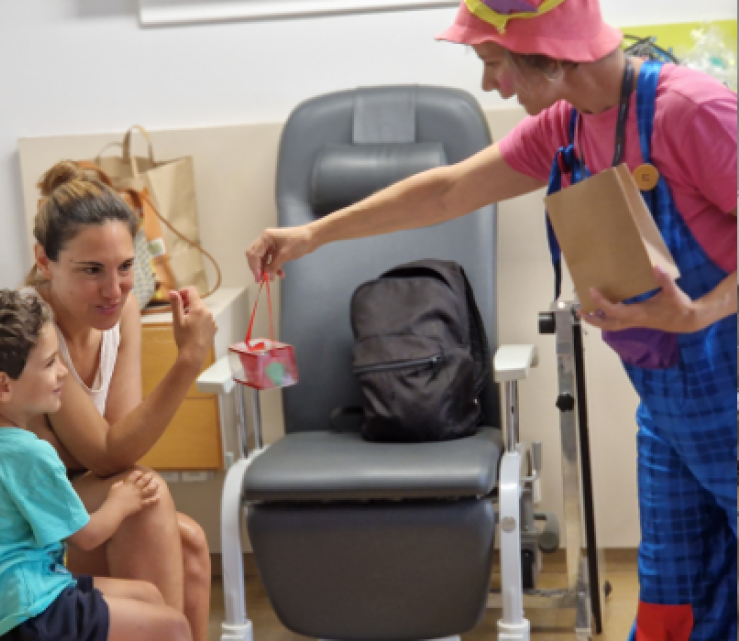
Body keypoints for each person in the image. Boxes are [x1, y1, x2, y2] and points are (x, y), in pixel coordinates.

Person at [245, 1, 737, 639]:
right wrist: (313, 234)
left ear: (552, 59)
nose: (489, 86)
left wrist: (701, 310)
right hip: (668, 411)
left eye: (493, 64)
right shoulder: (570, 126)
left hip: (728, 388)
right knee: (678, 588)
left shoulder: (690, 111)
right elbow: (447, 191)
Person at [0, 161, 217, 641]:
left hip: (42, 497)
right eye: (92, 270)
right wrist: (188, 360)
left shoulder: (121, 310)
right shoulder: (33, 332)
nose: (114, 290)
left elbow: (115, 449)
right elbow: (110, 453)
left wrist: (103, 452)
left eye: (126, 266)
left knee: (191, 544)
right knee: (143, 501)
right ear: (45, 261)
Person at [0, 289, 190, 640]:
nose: (64, 373)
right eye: (51, 363)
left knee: (148, 595)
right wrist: (121, 502)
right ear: (3, 386)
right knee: (174, 627)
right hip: (29, 610)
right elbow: (86, 536)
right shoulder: (28, 454)